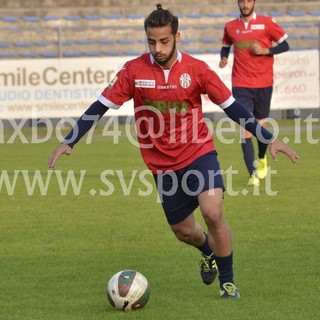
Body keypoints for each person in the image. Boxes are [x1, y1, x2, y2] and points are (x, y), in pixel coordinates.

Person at [48, 4, 298, 299]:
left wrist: (267, 138)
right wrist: (70, 140)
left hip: (199, 152)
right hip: (161, 165)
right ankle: (207, 251)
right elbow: (100, 106)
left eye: (164, 41)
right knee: (183, 231)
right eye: (151, 42)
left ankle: (227, 283)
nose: (158, 48)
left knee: (213, 212)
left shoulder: (196, 70)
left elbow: (232, 108)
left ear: (177, 37)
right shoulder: (133, 71)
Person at [219, 0, 290, 187]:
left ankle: (261, 157)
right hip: (241, 84)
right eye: (241, 1)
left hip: (264, 84)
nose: (245, 4)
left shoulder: (267, 23)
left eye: (248, 0)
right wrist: (224, 58)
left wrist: (267, 50)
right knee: (245, 128)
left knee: (260, 127)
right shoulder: (230, 26)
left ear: (254, 2)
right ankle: (253, 174)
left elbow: (285, 45)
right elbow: (226, 45)